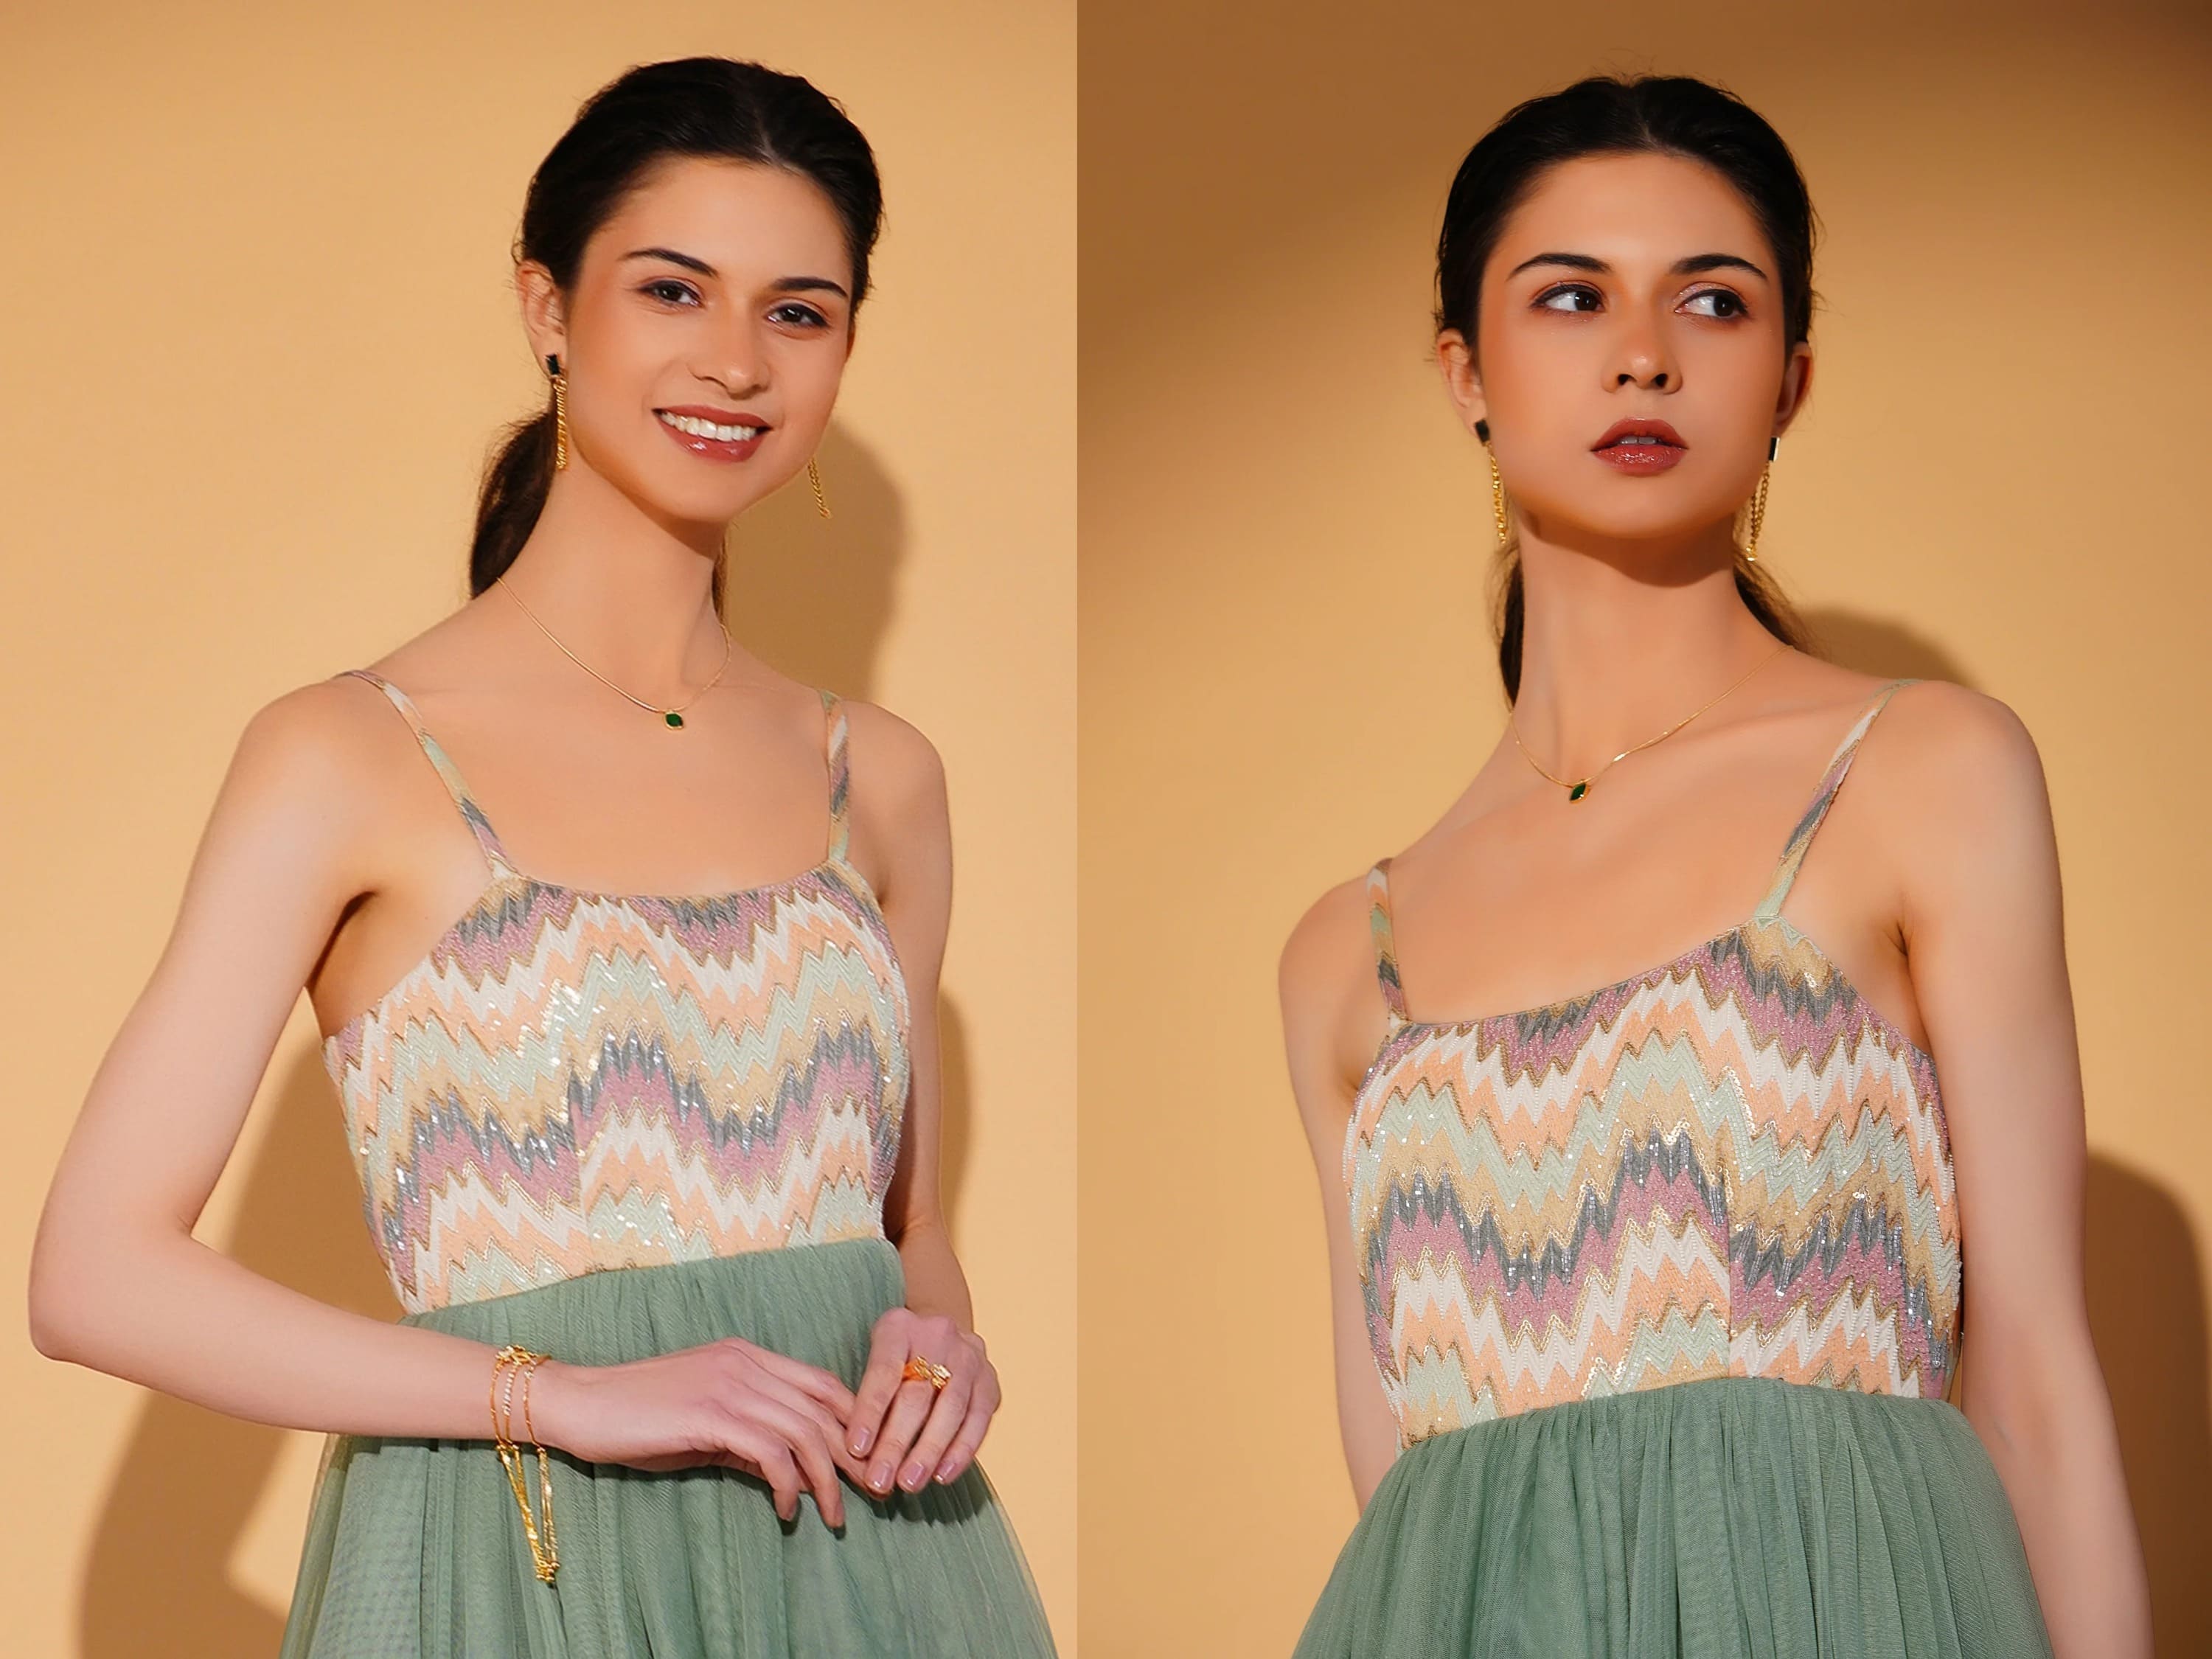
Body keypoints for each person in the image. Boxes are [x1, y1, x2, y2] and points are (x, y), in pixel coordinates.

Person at [28, 55, 1056, 1658]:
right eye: (672, 289)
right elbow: (93, 1276)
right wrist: (561, 1400)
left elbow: (910, 1232)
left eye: (801, 311)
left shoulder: (886, 781)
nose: (736, 359)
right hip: (527, 1570)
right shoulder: (351, 754)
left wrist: (942, 1340)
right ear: (548, 308)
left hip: (875, 1569)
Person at [1277, 73, 2148, 1659]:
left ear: (1789, 381)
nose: (1643, 353)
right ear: (1465, 371)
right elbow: (1408, 1510)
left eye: (1714, 301)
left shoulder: (1919, 773)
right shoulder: (1349, 954)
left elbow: (2034, 1375)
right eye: (1569, 296)